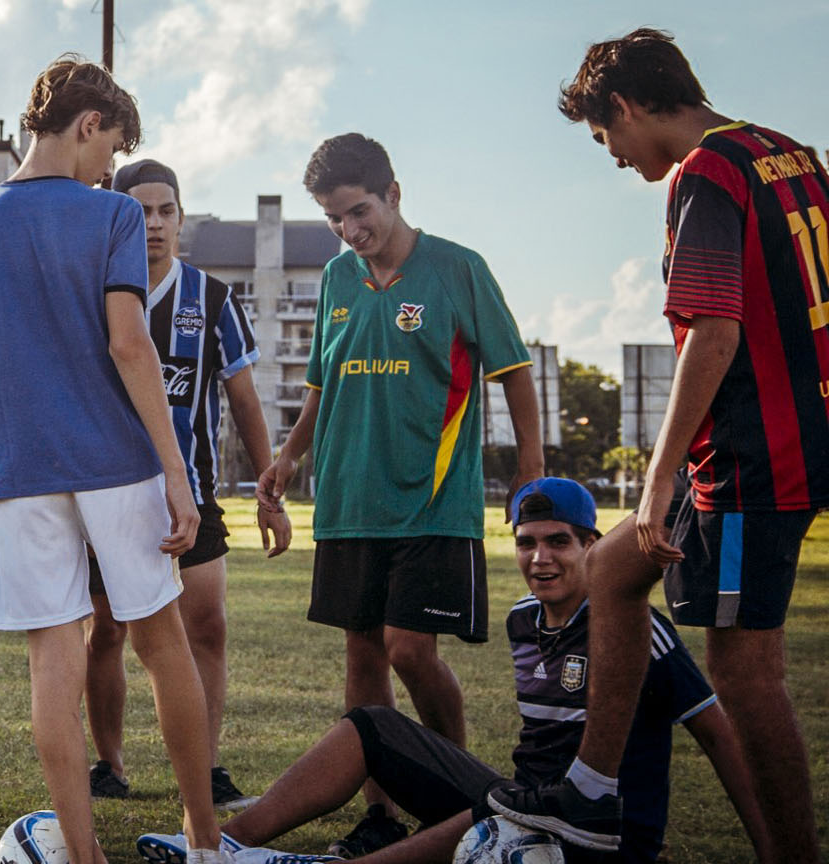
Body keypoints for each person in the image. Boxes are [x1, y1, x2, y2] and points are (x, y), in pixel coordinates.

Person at [489, 29, 829, 863]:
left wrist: (658, 475)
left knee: (745, 675)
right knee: (611, 571)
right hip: (777, 438)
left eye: (604, 135)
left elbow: (712, 332)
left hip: (751, 460)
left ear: (626, 105)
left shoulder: (707, 171)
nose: (611, 155)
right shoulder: (790, 154)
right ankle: (591, 790)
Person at [0, 55, 226, 864]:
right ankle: (205, 841)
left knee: (51, 663)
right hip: (115, 463)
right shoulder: (112, 216)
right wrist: (176, 472)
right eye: (113, 149)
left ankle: (85, 857)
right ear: (89, 125)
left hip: (10, 473)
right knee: (162, 643)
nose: (110, 169)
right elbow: (130, 344)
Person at [138, 478, 769, 864]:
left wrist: (773, 851)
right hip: (523, 800)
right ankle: (219, 845)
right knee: (372, 725)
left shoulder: (636, 630)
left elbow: (719, 737)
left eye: (559, 541)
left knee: (501, 812)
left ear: (593, 547)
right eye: (527, 542)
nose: (541, 558)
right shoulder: (523, 619)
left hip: (594, 829)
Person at [256, 133, 543, 856]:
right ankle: (379, 812)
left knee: (410, 649)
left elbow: (513, 370)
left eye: (359, 211)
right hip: (348, 498)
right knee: (363, 655)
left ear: (393, 194)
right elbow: (321, 383)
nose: (350, 230)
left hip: (433, 500)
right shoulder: (337, 278)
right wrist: (288, 456)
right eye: (334, 219)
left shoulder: (458, 268)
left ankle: (466, 801)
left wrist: (531, 466)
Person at [84, 159, 291, 809]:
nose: (153, 223)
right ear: (116, 217)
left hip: (191, 492)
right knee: (107, 630)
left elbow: (246, 401)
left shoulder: (213, 298)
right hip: (108, 491)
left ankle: (205, 767)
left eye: (165, 211)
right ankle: (108, 765)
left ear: (180, 218)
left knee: (207, 627)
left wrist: (268, 491)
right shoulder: (91, 290)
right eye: (139, 211)